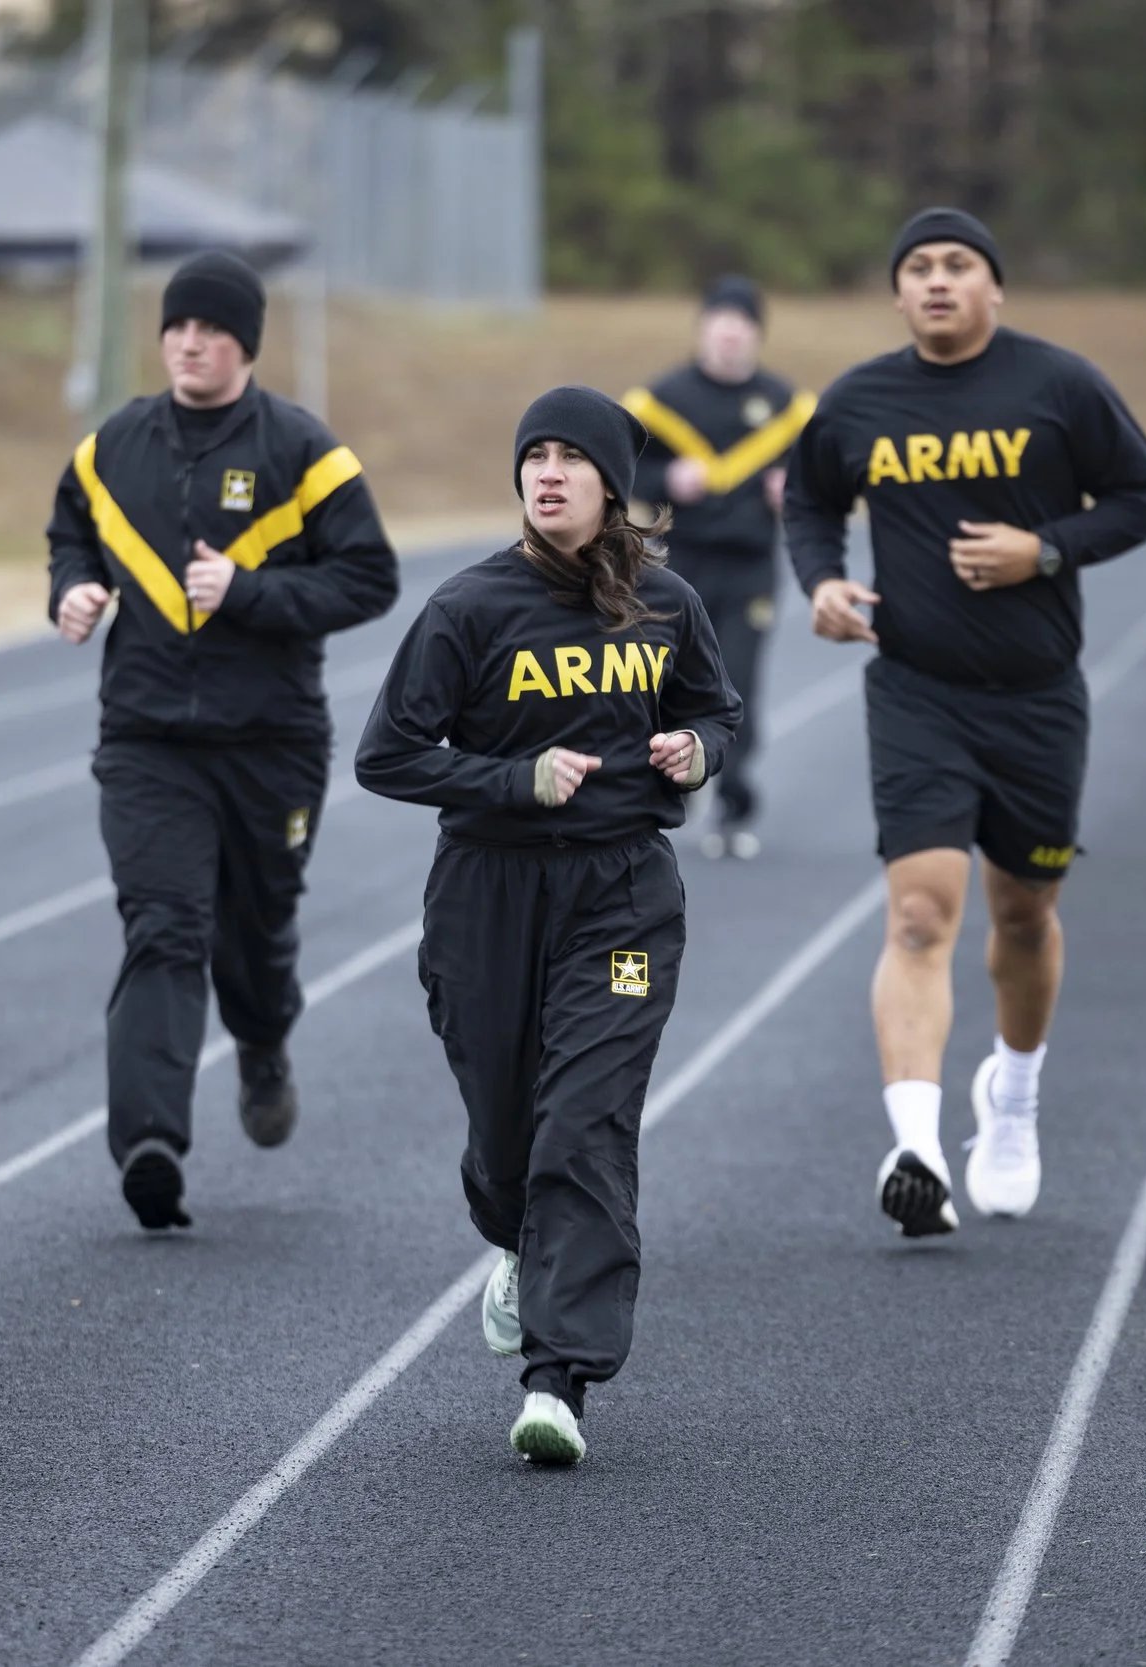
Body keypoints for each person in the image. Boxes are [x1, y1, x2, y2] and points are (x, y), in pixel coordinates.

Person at [356, 387, 740, 1465]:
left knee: (584, 1121)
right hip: (488, 889)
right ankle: (516, 1235)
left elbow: (714, 710)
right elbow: (386, 755)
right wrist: (513, 778)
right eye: (536, 455)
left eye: (573, 456)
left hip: (620, 892)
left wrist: (696, 751)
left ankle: (557, 1374)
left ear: (612, 482)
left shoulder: (666, 603)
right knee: (506, 1138)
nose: (550, 471)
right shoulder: (468, 609)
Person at [784, 208, 1146, 1237]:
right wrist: (822, 582)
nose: (937, 281)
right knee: (918, 914)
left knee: (1024, 913)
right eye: (917, 267)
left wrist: (1042, 550)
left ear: (994, 287)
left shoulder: (1058, 385)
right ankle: (915, 1143)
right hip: (915, 691)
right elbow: (808, 501)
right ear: (898, 291)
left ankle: (1013, 1096)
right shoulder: (859, 399)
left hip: (1039, 697)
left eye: (958, 264)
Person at [48, 250, 398, 1232]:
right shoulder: (114, 444)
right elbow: (70, 528)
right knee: (163, 926)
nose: (189, 342)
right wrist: (71, 587)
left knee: (254, 934)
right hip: (148, 736)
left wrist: (250, 594)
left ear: (244, 342)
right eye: (176, 328)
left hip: (271, 740)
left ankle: (264, 1041)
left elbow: (369, 577)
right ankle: (151, 1141)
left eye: (209, 329)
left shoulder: (303, 450)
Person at [622, 274, 815, 860]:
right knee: (661, 682)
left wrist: (794, 489)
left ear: (757, 336)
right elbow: (623, 474)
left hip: (749, 567)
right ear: (703, 329)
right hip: (675, 567)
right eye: (720, 325)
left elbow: (820, 478)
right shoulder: (661, 401)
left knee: (737, 684)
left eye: (743, 327)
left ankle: (734, 803)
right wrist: (667, 482)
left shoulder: (786, 405)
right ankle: (676, 781)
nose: (731, 337)